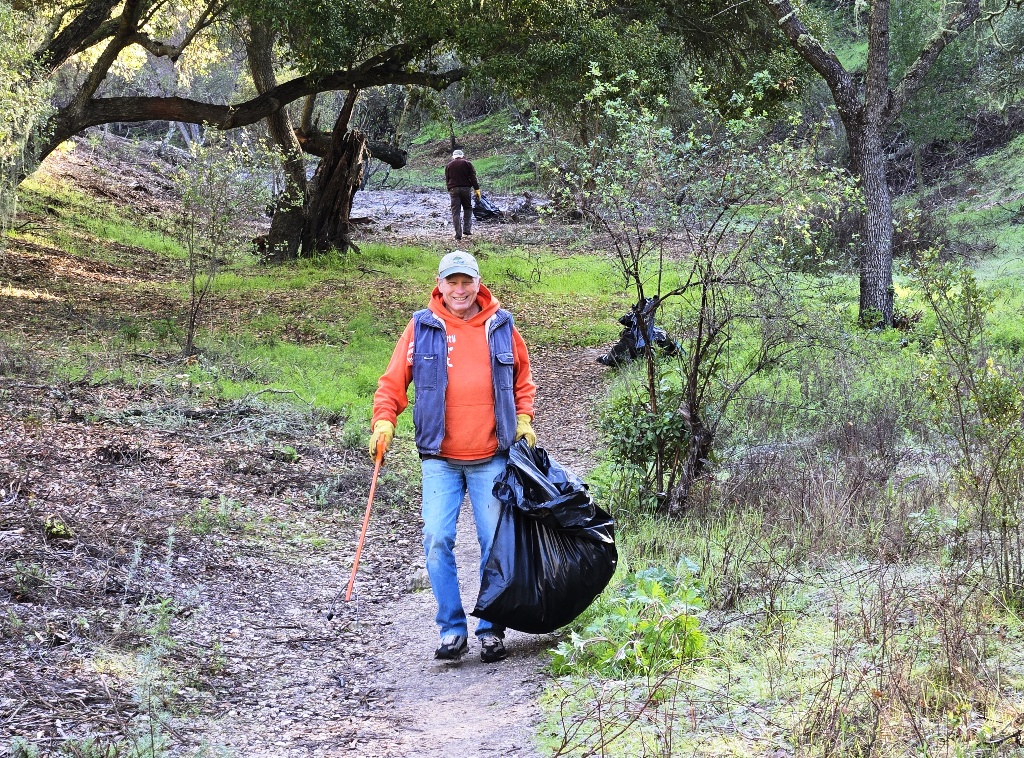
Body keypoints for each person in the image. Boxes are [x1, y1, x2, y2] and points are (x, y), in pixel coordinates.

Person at [369, 250, 537, 663]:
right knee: (437, 538)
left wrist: (525, 420)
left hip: (491, 457)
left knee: (493, 543)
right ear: (440, 285)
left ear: (478, 283)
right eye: (452, 282)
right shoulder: (422, 327)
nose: (460, 290)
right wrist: (383, 422)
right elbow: (393, 384)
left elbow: (522, 380)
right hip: (440, 458)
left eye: (467, 281)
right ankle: (451, 630)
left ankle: (491, 629)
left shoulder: (501, 326)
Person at [444, 149, 481, 241]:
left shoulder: (448, 165)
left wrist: (449, 188)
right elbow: (473, 177)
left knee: (455, 212)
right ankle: (467, 229)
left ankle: (458, 234)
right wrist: (476, 189)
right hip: (465, 189)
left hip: (453, 189)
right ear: (462, 156)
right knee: (468, 208)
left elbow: (447, 179)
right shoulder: (467, 163)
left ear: (453, 156)